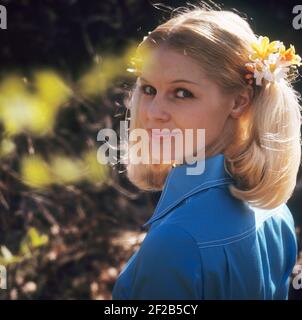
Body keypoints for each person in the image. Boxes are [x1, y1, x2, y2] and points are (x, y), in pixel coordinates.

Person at [112, 3, 301, 300]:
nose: (153, 112)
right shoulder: (275, 211)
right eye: (148, 89)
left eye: (182, 93)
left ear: (238, 102)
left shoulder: (176, 241)